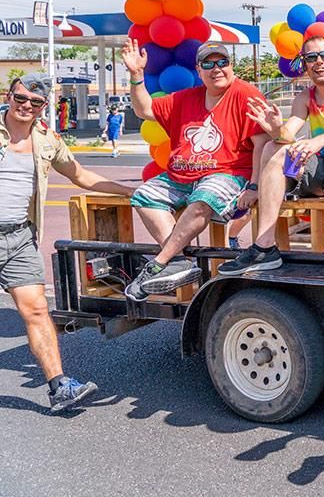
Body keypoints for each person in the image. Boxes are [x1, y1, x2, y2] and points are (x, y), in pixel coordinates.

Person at [0, 75, 134, 410]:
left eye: (35, 103)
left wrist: (130, 191)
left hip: (18, 238)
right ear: (9, 95)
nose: (26, 106)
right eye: (21, 98)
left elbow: (81, 175)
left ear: (44, 107)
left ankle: (60, 386)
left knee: (37, 309)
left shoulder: (47, 140)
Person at [218, 36, 324, 283]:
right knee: (272, 148)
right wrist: (276, 129)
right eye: (311, 57)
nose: (318, 62)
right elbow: (287, 134)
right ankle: (265, 247)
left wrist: (319, 141)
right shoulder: (305, 97)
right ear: (304, 64)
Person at [123, 40, 269, 301]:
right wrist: (136, 76)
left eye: (222, 62)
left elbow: (262, 143)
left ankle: (157, 264)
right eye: (208, 64)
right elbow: (143, 109)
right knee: (144, 195)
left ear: (231, 66)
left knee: (203, 201)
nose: (217, 68)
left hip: (228, 173)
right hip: (181, 174)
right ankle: (177, 261)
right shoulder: (187, 97)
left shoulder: (246, 94)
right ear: (198, 70)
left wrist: (254, 185)